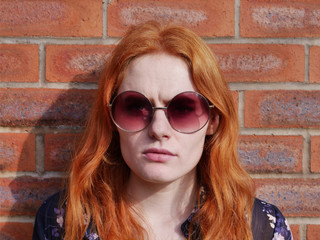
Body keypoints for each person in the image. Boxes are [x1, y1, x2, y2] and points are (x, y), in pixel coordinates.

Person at [33, 21, 293, 240]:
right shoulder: (66, 222)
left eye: (183, 108)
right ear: (111, 117)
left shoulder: (258, 228)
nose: (158, 130)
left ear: (213, 121)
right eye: (135, 107)